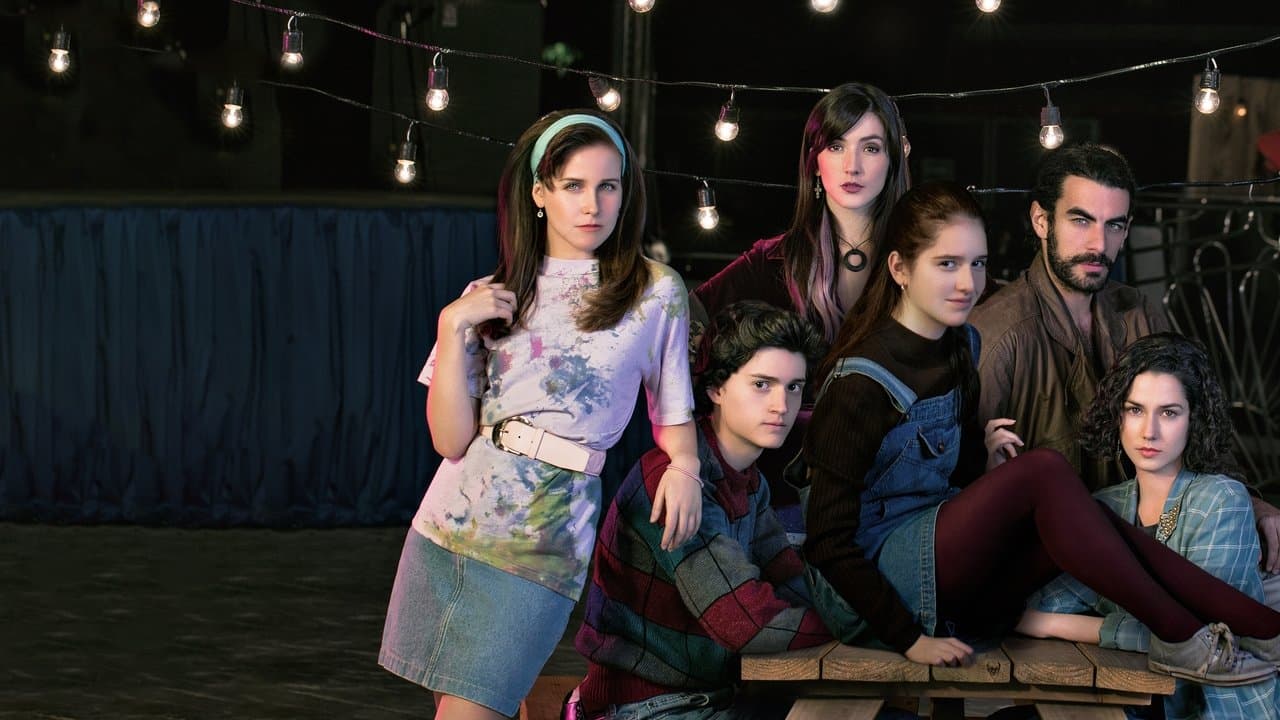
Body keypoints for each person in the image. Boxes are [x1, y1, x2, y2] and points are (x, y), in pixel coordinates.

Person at [801, 180, 1280, 686]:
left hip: (949, 583)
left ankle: (1265, 628)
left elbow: (946, 481)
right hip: (872, 598)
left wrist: (986, 465)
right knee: (1045, 471)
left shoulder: (961, 346)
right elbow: (827, 544)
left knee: (1090, 516)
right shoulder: (860, 383)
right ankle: (1181, 639)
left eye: (978, 263)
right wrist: (909, 639)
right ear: (900, 268)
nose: (967, 283)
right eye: (947, 264)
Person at [378, 110, 704, 720]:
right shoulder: (490, 294)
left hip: (545, 539)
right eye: (573, 185)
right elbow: (449, 440)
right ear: (538, 193)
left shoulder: (654, 291)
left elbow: (673, 408)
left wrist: (685, 466)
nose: (593, 204)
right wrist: (451, 327)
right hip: (450, 526)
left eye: (608, 186)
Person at [968, 141, 1280, 574]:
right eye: (1081, 220)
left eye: (1114, 225)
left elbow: (1200, 428)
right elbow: (965, 489)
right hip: (1050, 562)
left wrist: (1252, 501)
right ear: (1041, 220)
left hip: (1152, 537)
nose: (1099, 244)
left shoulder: (1138, 312)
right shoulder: (997, 335)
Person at [571, 300, 832, 720]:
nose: (781, 405)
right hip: (643, 707)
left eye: (793, 387)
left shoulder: (749, 482)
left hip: (711, 699)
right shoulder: (673, 482)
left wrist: (872, 612)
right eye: (762, 384)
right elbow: (746, 622)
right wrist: (854, 625)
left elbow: (790, 579)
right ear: (716, 389)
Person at [688, 82, 911, 531]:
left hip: (888, 488)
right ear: (815, 160)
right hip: (783, 489)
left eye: (870, 147)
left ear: (894, 158)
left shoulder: (919, 265)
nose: (852, 165)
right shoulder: (771, 261)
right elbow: (686, 313)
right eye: (836, 146)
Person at [1022, 333, 1279, 718]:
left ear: (1195, 419)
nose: (1149, 431)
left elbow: (1201, 639)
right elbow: (1043, 602)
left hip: (1217, 706)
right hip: (1135, 698)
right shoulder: (1106, 505)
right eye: (1135, 410)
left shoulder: (1220, 499)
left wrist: (1054, 626)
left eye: (1169, 413)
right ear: (1117, 415)